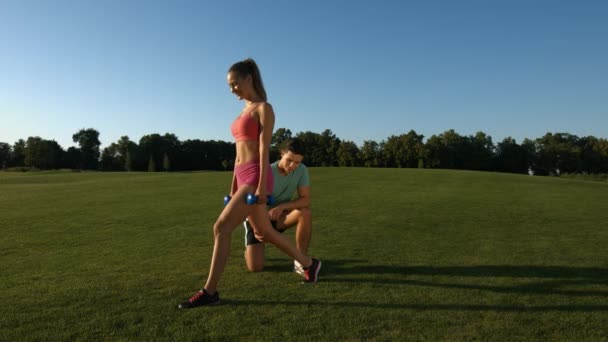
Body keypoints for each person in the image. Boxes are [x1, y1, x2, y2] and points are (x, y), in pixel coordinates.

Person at [178, 59, 321, 309]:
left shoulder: (263, 108)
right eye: (229, 86)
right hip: (243, 176)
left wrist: (260, 187)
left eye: (235, 83)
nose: (232, 89)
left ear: (249, 78)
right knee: (265, 232)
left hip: (256, 175)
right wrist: (234, 184)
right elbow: (238, 155)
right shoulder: (243, 112)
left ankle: (210, 292)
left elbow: (264, 149)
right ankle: (309, 264)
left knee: (221, 228)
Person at [244, 138, 313, 276]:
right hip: (258, 221)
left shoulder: (302, 170)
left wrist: (283, 206)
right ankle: (248, 247)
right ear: (282, 153)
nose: (293, 165)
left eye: (297, 162)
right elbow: (249, 202)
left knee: (305, 212)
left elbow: (305, 200)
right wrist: (258, 227)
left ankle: (300, 261)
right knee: (255, 267)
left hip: (279, 217)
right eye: (289, 160)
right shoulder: (266, 171)